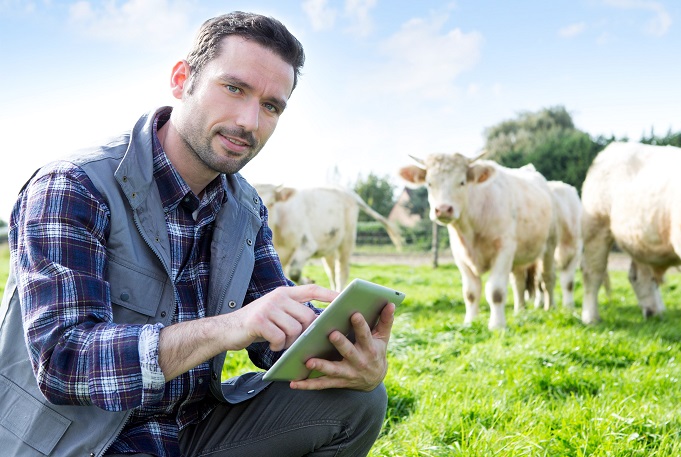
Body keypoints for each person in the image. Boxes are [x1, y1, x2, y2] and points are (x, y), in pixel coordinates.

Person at [0, 11, 394, 457]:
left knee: (358, 400)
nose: (249, 121)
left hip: (188, 428)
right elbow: (63, 362)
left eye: (271, 106)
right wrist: (230, 327)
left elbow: (275, 338)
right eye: (234, 88)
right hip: (81, 441)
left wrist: (349, 357)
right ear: (181, 79)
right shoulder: (74, 186)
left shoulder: (244, 207)